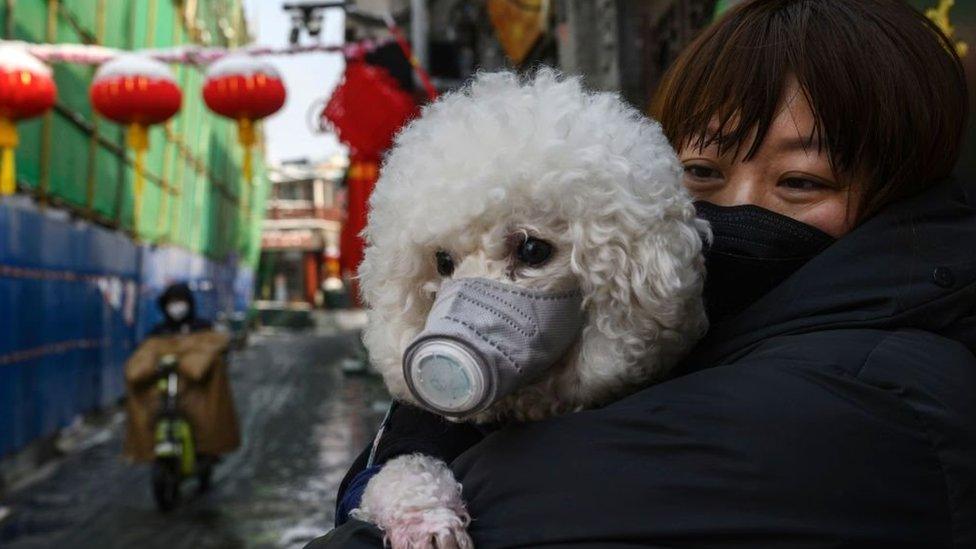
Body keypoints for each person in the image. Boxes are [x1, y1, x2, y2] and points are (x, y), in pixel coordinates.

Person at [313, 0, 975, 546]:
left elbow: (537, 507)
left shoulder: (870, 397)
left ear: (899, 190)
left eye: (800, 181)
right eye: (702, 172)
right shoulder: (715, 335)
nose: (738, 207)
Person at [123, 282, 240, 478]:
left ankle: (206, 451)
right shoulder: (158, 332)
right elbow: (142, 361)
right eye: (172, 302)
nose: (177, 307)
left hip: (194, 389)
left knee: (204, 415)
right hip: (165, 387)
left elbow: (212, 351)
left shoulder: (202, 328)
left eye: (180, 302)